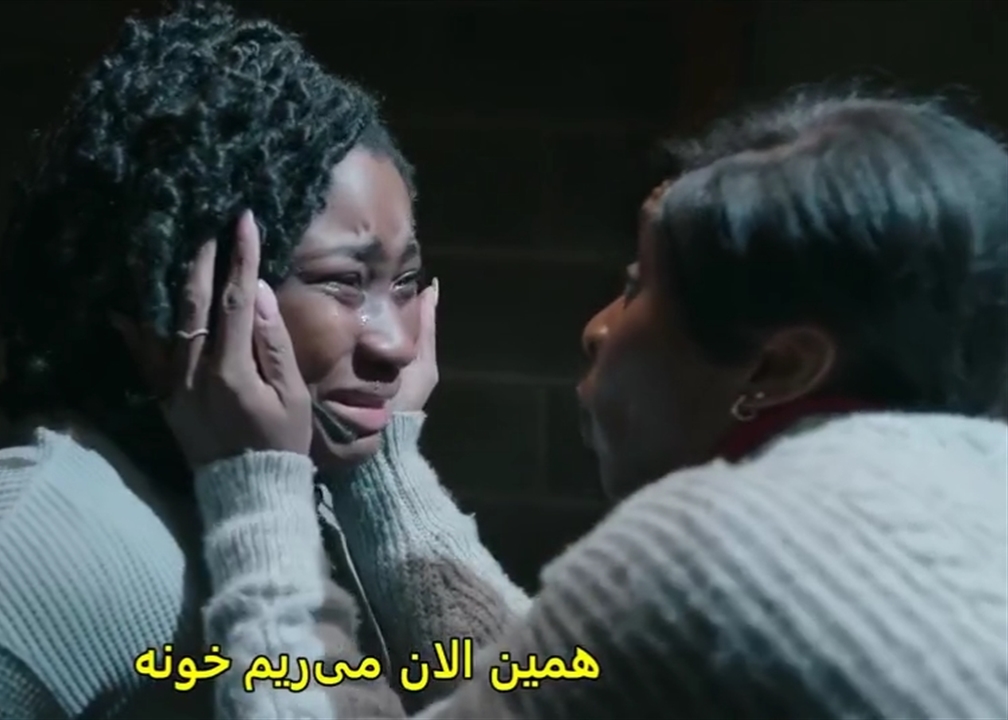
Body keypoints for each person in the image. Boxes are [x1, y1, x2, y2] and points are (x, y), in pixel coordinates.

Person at [0, 3, 525, 717]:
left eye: (404, 282)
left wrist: (373, 471)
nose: (398, 343)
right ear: (189, 287)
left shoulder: (314, 496)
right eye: (343, 281)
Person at [166, 87, 1008, 719]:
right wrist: (383, 467)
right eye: (346, 282)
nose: (598, 328)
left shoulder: (717, 546)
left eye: (639, 289)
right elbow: (548, 684)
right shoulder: (974, 482)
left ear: (781, 364)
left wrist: (256, 479)